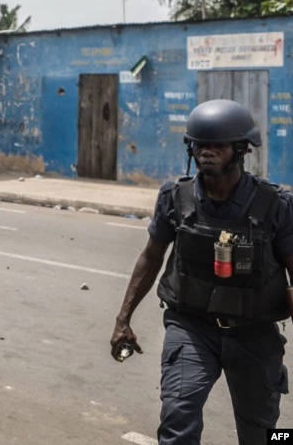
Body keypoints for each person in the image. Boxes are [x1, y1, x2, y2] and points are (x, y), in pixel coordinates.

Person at [110, 99, 293, 444]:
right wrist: (123, 318)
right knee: (177, 418)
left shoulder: (276, 205)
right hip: (191, 326)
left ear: (240, 149)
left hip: (255, 332)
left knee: (267, 433)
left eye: (217, 145)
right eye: (200, 144)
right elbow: (150, 257)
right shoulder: (175, 197)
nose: (206, 152)